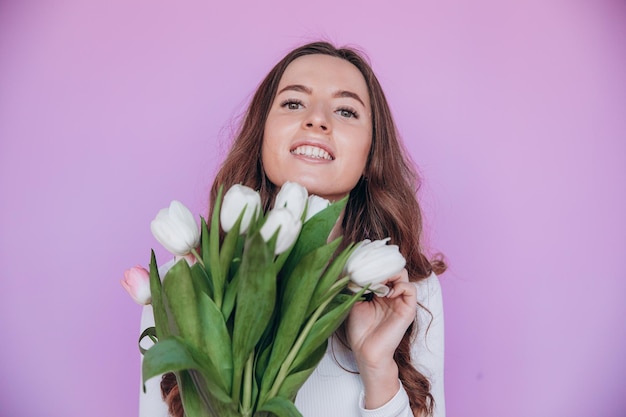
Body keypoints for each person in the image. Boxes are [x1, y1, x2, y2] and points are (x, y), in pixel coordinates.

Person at [139, 41, 446, 417]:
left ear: (371, 155)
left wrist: (377, 367)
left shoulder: (408, 293)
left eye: (346, 110)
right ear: (262, 136)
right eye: (293, 103)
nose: (317, 119)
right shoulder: (184, 285)